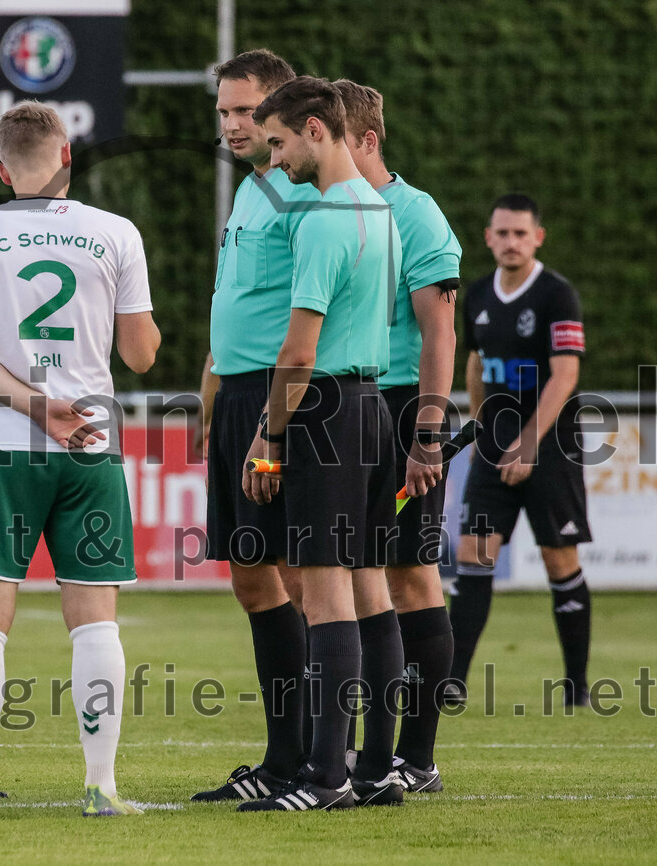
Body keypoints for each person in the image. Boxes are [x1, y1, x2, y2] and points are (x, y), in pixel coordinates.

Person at [0, 101, 160, 820]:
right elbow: (141, 354)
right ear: (67, 155)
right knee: (95, 624)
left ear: (2, 169)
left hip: (5, 448)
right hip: (91, 447)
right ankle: (100, 787)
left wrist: (32, 404)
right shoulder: (116, 234)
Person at [236, 76, 401, 812]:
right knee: (367, 585)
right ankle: (371, 771)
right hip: (371, 407)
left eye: (277, 141)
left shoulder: (327, 220)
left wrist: (268, 439)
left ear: (313, 128)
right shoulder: (380, 209)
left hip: (326, 412)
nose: (274, 158)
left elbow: (298, 354)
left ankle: (326, 778)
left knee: (327, 593)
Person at [192, 49, 319, 804]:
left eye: (244, 110)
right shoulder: (250, 190)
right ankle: (282, 758)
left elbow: (311, 317)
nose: (233, 125)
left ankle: (326, 761)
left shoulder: (304, 195)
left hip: (285, 404)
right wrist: (208, 407)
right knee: (252, 578)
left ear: (283, 109)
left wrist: (274, 420)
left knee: (309, 584)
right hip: (238, 401)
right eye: (224, 113)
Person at [334, 79, 462, 793]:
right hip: (344, 404)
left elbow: (439, 330)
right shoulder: (328, 209)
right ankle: (356, 751)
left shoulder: (416, 215)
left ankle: (418, 757)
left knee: (409, 574)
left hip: (402, 405)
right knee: (345, 578)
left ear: (368, 141)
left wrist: (429, 433)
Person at [448, 194, 591, 708]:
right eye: (502, 233)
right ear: (488, 237)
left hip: (551, 448)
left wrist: (529, 443)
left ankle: (576, 688)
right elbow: (475, 359)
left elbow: (566, 374)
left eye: (520, 234)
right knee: (473, 556)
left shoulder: (557, 295)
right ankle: (453, 683)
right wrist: (479, 422)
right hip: (494, 446)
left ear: (538, 238)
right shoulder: (479, 294)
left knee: (560, 560)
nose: (510, 242)